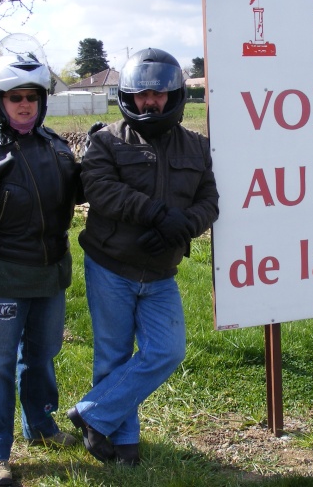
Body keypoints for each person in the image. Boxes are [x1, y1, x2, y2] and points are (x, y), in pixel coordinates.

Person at [67, 47, 219, 466]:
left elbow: (210, 201)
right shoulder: (106, 141)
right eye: (140, 95)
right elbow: (100, 188)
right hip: (110, 264)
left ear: (174, 96)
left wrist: (182, 226)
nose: (149, 102)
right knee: (113, 355)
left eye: (158, 95)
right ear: (128, 96)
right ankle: (123, 445)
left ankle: (92, 414)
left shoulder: (197, 148)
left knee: (167, 350)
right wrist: (156, 214)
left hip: (160, 273)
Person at [0, 34, 83, 486]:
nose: (24, 105)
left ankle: (41, 426)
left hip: (50, 276)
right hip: (2, 279)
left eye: (32, 97)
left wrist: (107, 152)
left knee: (42, 356)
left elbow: (81, 193)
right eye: (15, 97)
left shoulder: (57, 147)